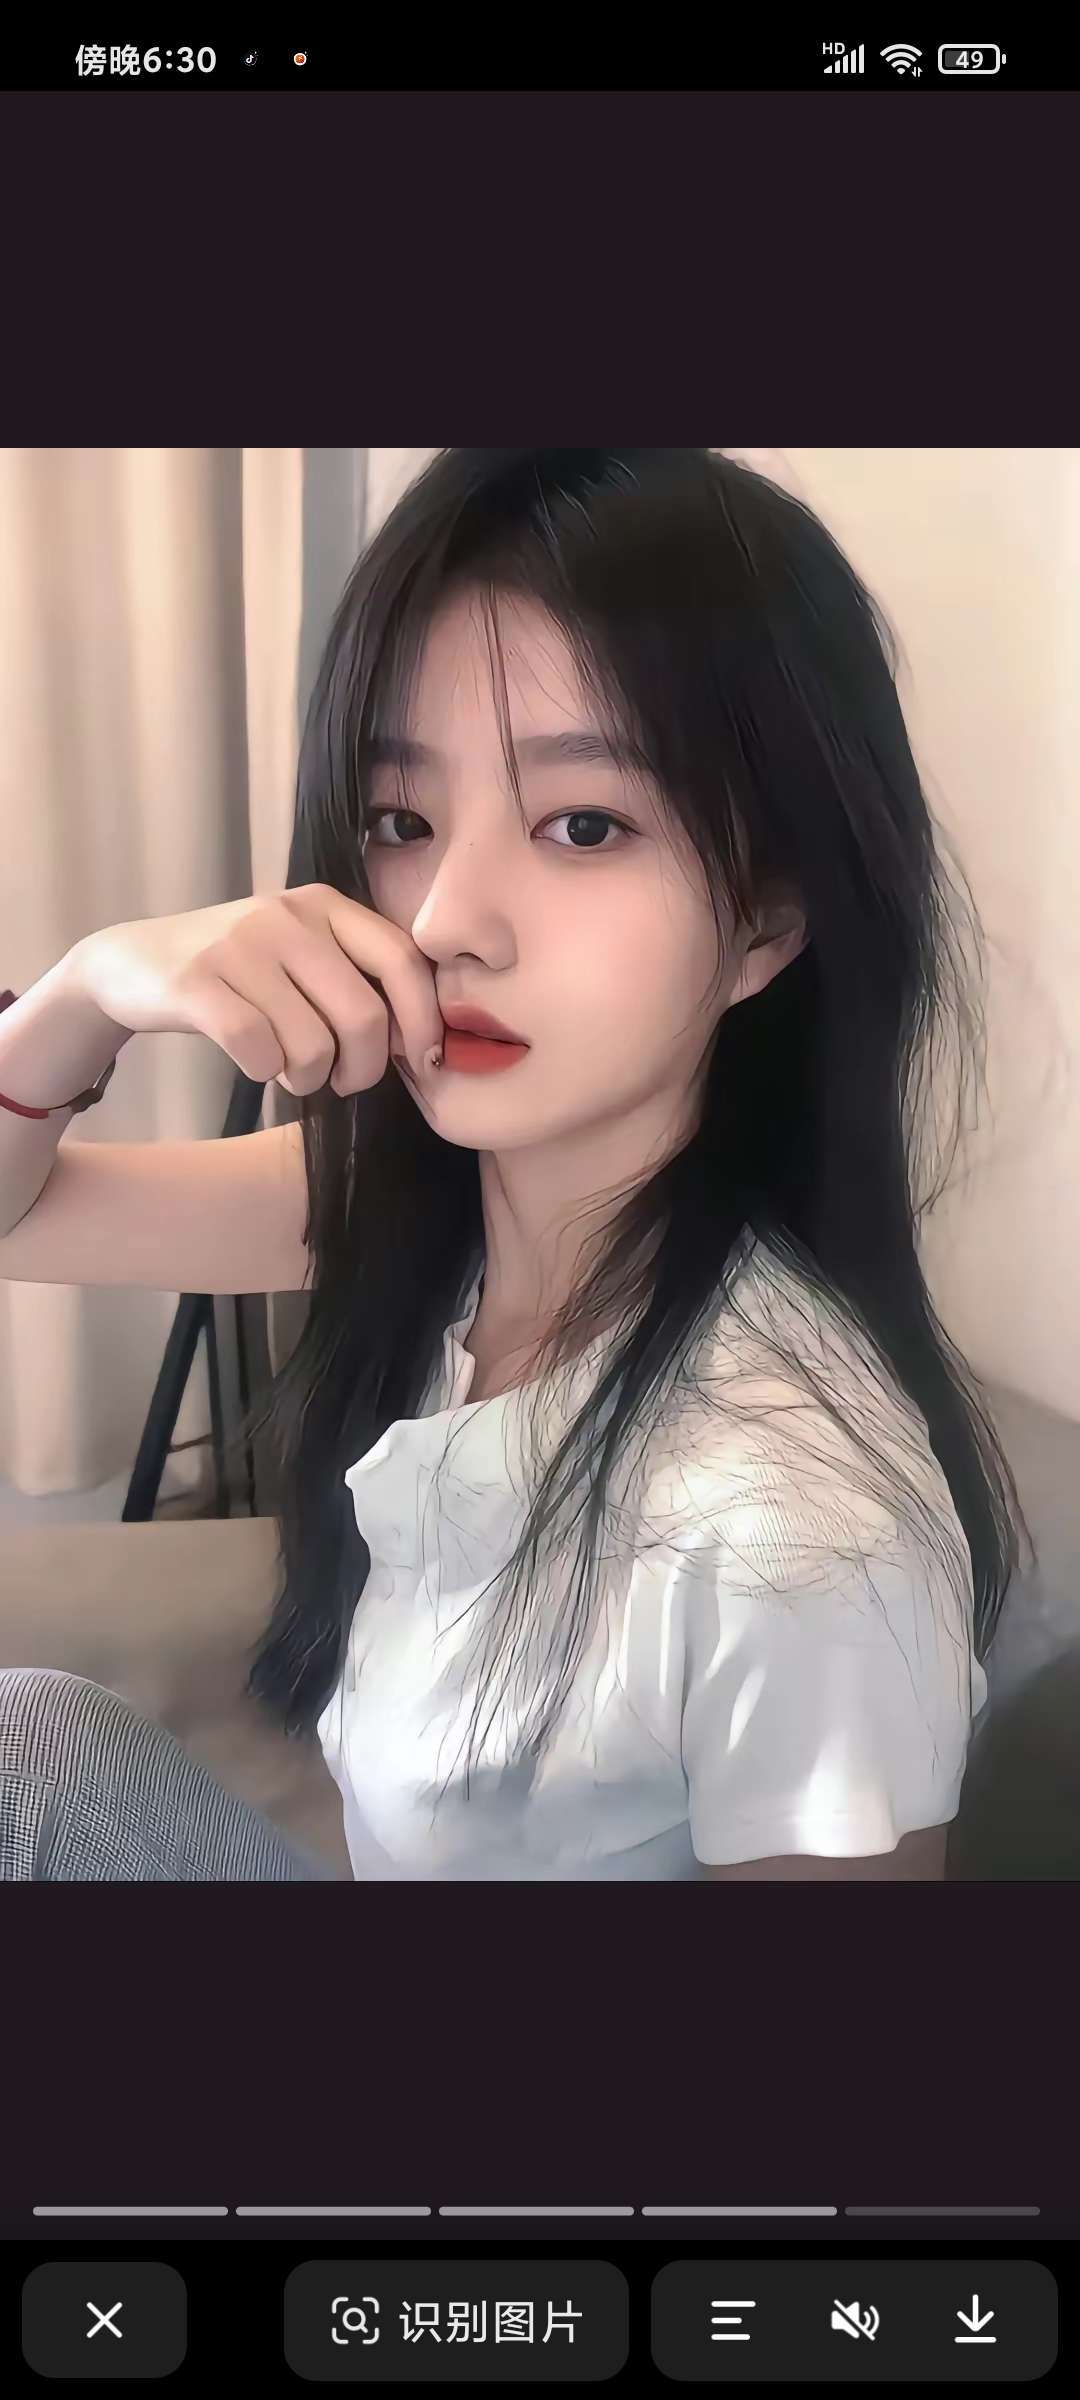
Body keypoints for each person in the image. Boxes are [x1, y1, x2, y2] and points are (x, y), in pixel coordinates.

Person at [0, 446, 1034, 1880]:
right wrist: (84, 993)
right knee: (29, 1737)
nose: (443, 920)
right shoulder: (420, 1222)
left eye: (583, 825)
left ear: (766, 920)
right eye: (402, 823)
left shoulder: (793, 1532)